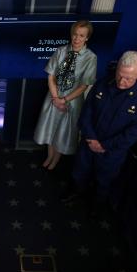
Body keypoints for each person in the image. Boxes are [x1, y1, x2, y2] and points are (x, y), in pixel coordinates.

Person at [70, 51, 137, 210]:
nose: (122, 82)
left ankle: (96, 206)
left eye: (128, 78)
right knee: (79, 172)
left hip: (112, 151)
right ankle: (75, 193)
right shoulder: (102, 84)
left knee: (104, 181)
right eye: (120, 75)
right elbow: (86, 112)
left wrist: (104, 146)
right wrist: (90, 138)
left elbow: (132, 134)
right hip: (89, 142)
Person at [33, 20, 97, 170]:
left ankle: (55, 160)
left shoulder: (90, 57)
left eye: (81, 35)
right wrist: (56, 98)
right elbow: (50, 76)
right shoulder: (61, 51)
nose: (77, 38)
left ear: (87, 38)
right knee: (50, 129)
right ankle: (49, 156)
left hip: (72, 101)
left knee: (62, 132)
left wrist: (64, 100)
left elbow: (84, 85)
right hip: (54, 97)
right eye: (75, 34)